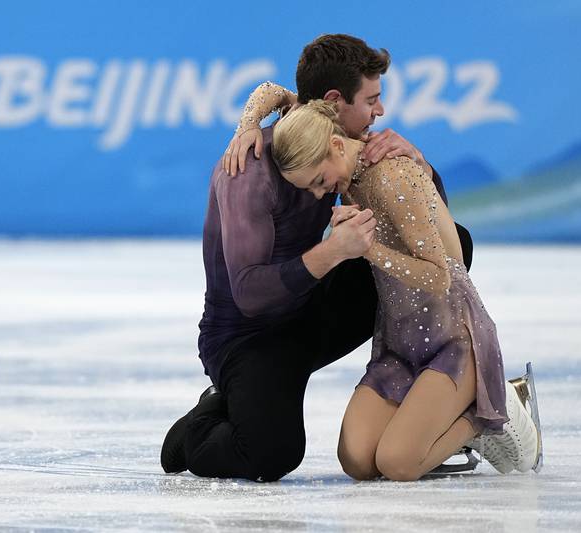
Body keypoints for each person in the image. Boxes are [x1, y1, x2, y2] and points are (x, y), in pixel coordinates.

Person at [160, 34, 476, 482]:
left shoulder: (340, 142)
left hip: (311, 309)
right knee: (272, 453)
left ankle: (436, 391)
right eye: (371, 99)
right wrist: (332, 251)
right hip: (250, 337)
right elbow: (249, 295)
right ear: (333, 100)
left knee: (456, 245)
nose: (378, 111)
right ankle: (204, 421)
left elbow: (432, 237)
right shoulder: (248, 170)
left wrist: (418, 163)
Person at [270, 99, 542, 481]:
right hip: (399, 346)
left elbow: (439, 276)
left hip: (454, 343)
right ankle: (438, 420)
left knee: (397, 464)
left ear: (334, 146)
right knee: (358, 462)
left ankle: (487, 415)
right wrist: (245, 128)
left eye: (318, 181)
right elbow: (277, 93)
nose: (319, 194)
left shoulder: (393, 174)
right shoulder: (349, 178)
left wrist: (369, 250)